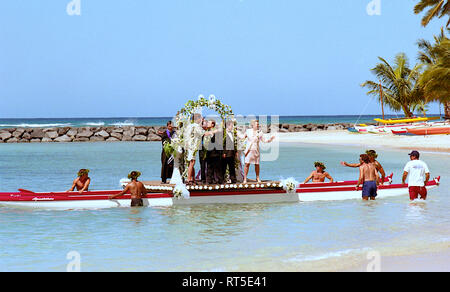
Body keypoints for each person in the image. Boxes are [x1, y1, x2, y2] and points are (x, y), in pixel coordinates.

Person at [185, 114, 205, 185]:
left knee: (191, 162)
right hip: (192, 146)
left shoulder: (190, 125)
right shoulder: (196, 126)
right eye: (200, 119)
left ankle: (192, 178)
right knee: (192, 162)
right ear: (197, 119)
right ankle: (189, 179)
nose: (201, 120)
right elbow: (202, 133)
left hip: (189, 146)